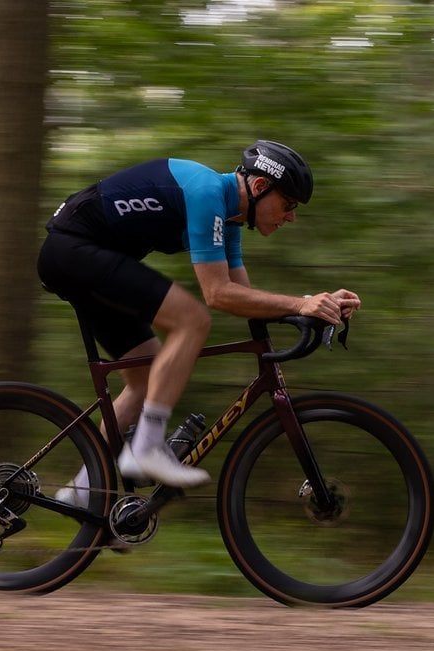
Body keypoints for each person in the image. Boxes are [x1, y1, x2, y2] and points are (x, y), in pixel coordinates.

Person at [37, 140, 360, 501]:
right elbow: (218, 294)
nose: (291, 216)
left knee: (146, 378)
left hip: (83, 256)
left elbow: (245, 299)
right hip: (72, 250)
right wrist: (302, 306)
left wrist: (310, 304)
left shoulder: (229, 219)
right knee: (193, 320)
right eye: (287, 205)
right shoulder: (207, 192)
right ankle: (146, 448)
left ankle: (82, 491)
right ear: (258, 187)